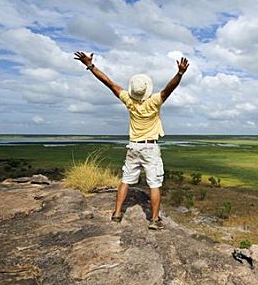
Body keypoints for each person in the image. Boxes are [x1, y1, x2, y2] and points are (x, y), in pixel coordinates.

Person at [73, 51, 189, 229]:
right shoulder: (155, 102)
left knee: (126, 179)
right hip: (150, 147)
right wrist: (180, 73)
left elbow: (108, 82)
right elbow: (169, 89)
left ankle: (117, 213)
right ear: (147, 89)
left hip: (133, 146)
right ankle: (154, 219)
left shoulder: (128, 100)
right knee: (155, 184)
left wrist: (90, 66)